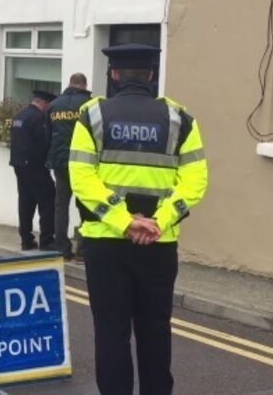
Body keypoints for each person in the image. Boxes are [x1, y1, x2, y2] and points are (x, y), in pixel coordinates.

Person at [69, 44, 208, 395]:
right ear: (151, 75)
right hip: (158, 244)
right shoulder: (180, 119)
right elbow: (195, 181)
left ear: (114, 75)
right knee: (155, 329)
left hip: (104, 243)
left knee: (111, 332)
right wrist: (157, 221)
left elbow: (81, 178)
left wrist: (124, 221)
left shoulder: (92, 116)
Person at [46, 73, 92, 261]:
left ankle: (62, 249)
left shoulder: (54, 105)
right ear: (84, 85)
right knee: (86, 206)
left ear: (70, 83)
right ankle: (83, 250)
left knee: (61, 206)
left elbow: (48, 135)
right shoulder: (90, 105)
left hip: (60, 163)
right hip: (84, 164)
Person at [10, 89, 58, 251]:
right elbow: (44, 142)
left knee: (26, 202)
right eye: (49, 104)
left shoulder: (19, 116)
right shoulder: (39, 118)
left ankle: (26, 239)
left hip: (19, 165)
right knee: (48, 201)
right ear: (43, 102)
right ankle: (47, 240)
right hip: (36, 167)